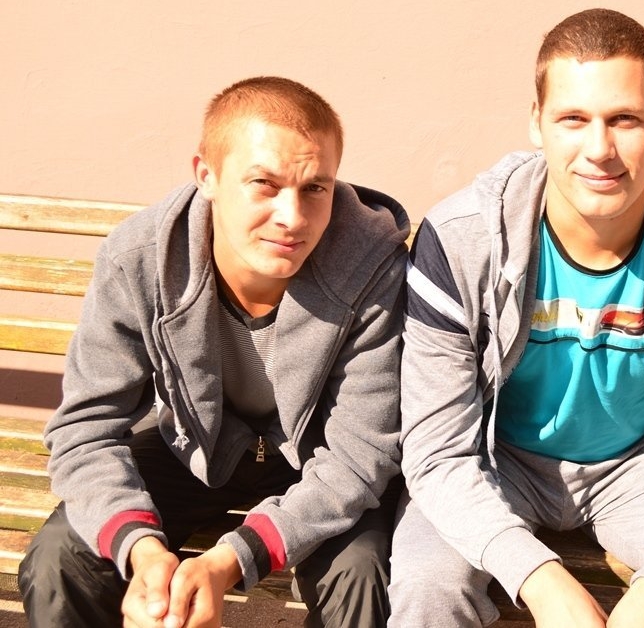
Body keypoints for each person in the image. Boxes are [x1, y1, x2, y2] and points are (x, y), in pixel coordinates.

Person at [390, 9, 644, 627]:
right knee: (427, 584)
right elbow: (437, 454)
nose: (599, 150)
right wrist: (542, 582)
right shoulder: (461, 241)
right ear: (537, 122)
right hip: (495, 461)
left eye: (624, 119)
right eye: (573, 119)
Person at [18, 76, 408, 628]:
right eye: (264, 184)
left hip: (318, 459)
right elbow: (86, 426)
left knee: (364, 575)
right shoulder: (141, 260)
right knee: (62, 560)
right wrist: (142, 551)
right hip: (193, 448)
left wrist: (229, 562)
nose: (293, 217)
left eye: (314, 188)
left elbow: (360, 455)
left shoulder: (372, 267)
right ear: (207, 176)